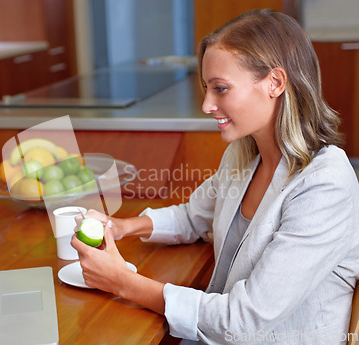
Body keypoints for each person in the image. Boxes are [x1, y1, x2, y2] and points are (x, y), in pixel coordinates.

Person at [71, 9, 359, 345]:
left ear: (275, 83)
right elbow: (194, 215)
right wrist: (123, 226)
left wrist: (123, 282)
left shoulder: (325, 184)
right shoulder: (245, 154)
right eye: (207, 88)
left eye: (221, 89)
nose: (207, 104)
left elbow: (243, 323)